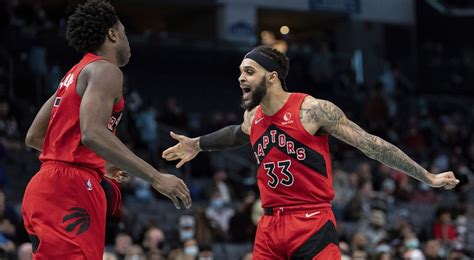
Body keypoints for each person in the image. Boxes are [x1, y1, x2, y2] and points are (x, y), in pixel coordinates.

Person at [162, 45, 459, 259]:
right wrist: (197, 143)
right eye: (240, 72)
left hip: (312, 222)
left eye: (249, 71)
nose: (241, 78)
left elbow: (372, 145)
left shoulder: (313, 110)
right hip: (268, 226)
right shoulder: (253, 117)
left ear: (272, 77)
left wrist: (427, 177)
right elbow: (235, 135)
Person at [22, 1, 191, 259]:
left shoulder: (73, 74)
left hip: (45, 186)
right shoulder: (106, 70)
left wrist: (98, 160)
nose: (127, 40)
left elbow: (34, 137)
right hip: (69, 189)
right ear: (112, 34)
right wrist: (156, 177)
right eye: (124, 31)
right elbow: (92, 133)